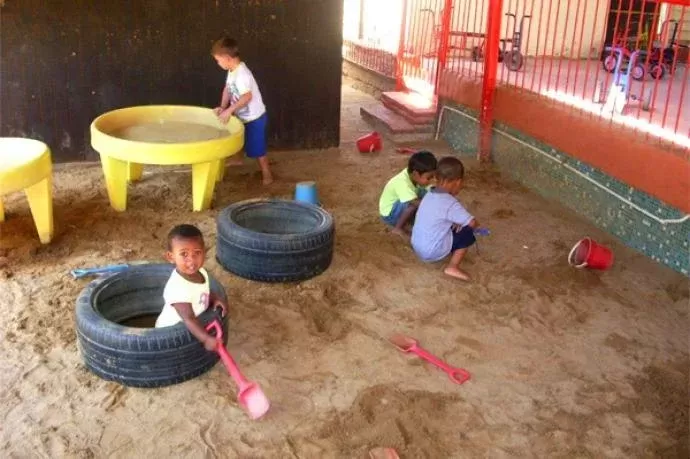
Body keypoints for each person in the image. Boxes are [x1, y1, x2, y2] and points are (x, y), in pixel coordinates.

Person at [155, 224, 228, 351]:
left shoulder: (201, 272)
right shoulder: (178, 288)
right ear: (171, 257)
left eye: (197, 252)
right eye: (184, 254)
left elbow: (202, 290)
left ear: (204, 252)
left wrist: (215, 298)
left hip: (191, 325)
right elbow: (189, 319)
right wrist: (206, 339)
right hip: (168, 333)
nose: (192, 260)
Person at [211, 37, 273, 185]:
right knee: (237, 137)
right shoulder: (232, 70)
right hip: (242, 115)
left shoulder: (242, 74)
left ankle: (267, 173)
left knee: (258, 148)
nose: (218, 63)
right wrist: (223, 107)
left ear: (227, 58)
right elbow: (227, 88)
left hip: (254, 118)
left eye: (218, 60)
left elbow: (247, 96)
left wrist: (229, 111)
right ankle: (238, 159)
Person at [411, 156, 480, 281]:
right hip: (431, 252)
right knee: (467, 233)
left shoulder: (429, 193)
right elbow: (473, 223)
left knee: (453, 226)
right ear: (458, 182)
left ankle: (446, 250)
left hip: (417, 245)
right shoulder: (450, 203)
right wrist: (463, 224)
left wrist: (456, 222)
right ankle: (452, 267)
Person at [378, 151, 437, 237]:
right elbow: (416, 202)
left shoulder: (412, 174)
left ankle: (409, 221)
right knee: (414, 204)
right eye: (429, 178)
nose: (432, 180)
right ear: (415, 174)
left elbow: (430, 190)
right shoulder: (402, 183)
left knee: (427, 193)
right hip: (389, 214)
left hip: (399, 205)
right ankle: (398, 228)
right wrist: (436, 206)